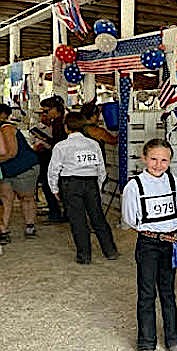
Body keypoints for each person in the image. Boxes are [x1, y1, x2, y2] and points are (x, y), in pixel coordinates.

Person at [122, 138, 177, 351]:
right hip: (148, 243)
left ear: (170, 161)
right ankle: (146, 342)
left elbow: (176, 209)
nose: (158, 164)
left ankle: (173, 338)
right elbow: (130, 218)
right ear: (144, 158)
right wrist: (151, 231)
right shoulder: (134, 186)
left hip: (169, 243)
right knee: (147, 293)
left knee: (168, 292)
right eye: (154, 159)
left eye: (164, 160)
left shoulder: (173, 182)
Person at [48, 112, 118, 264]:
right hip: (91, 183)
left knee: (78, 220)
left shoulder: (61, 146)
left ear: (66, 128)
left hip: (71, 184)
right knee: (98, 217)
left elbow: (53, 170)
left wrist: (54, 189)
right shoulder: (93, 144)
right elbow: (101, 168)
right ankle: (110, 251)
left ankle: (84, 256)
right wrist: (97, 186)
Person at [0, 103, 40, 243]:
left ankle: (30, 225)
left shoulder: (6, 128)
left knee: (26, 197)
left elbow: (11, 153)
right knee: (5, 198)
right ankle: (3, 230)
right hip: (6, 169)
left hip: (24, 168)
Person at [31, 103, 66, 223]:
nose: (46, 114)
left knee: (49, 185)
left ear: (55, 109)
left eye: (47, 111)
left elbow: (57, 144)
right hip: (54, 158)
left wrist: (46, 143)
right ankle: (59, 212)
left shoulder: (58, 123)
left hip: (56, 159)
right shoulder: (58, 122)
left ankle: (56, 213)